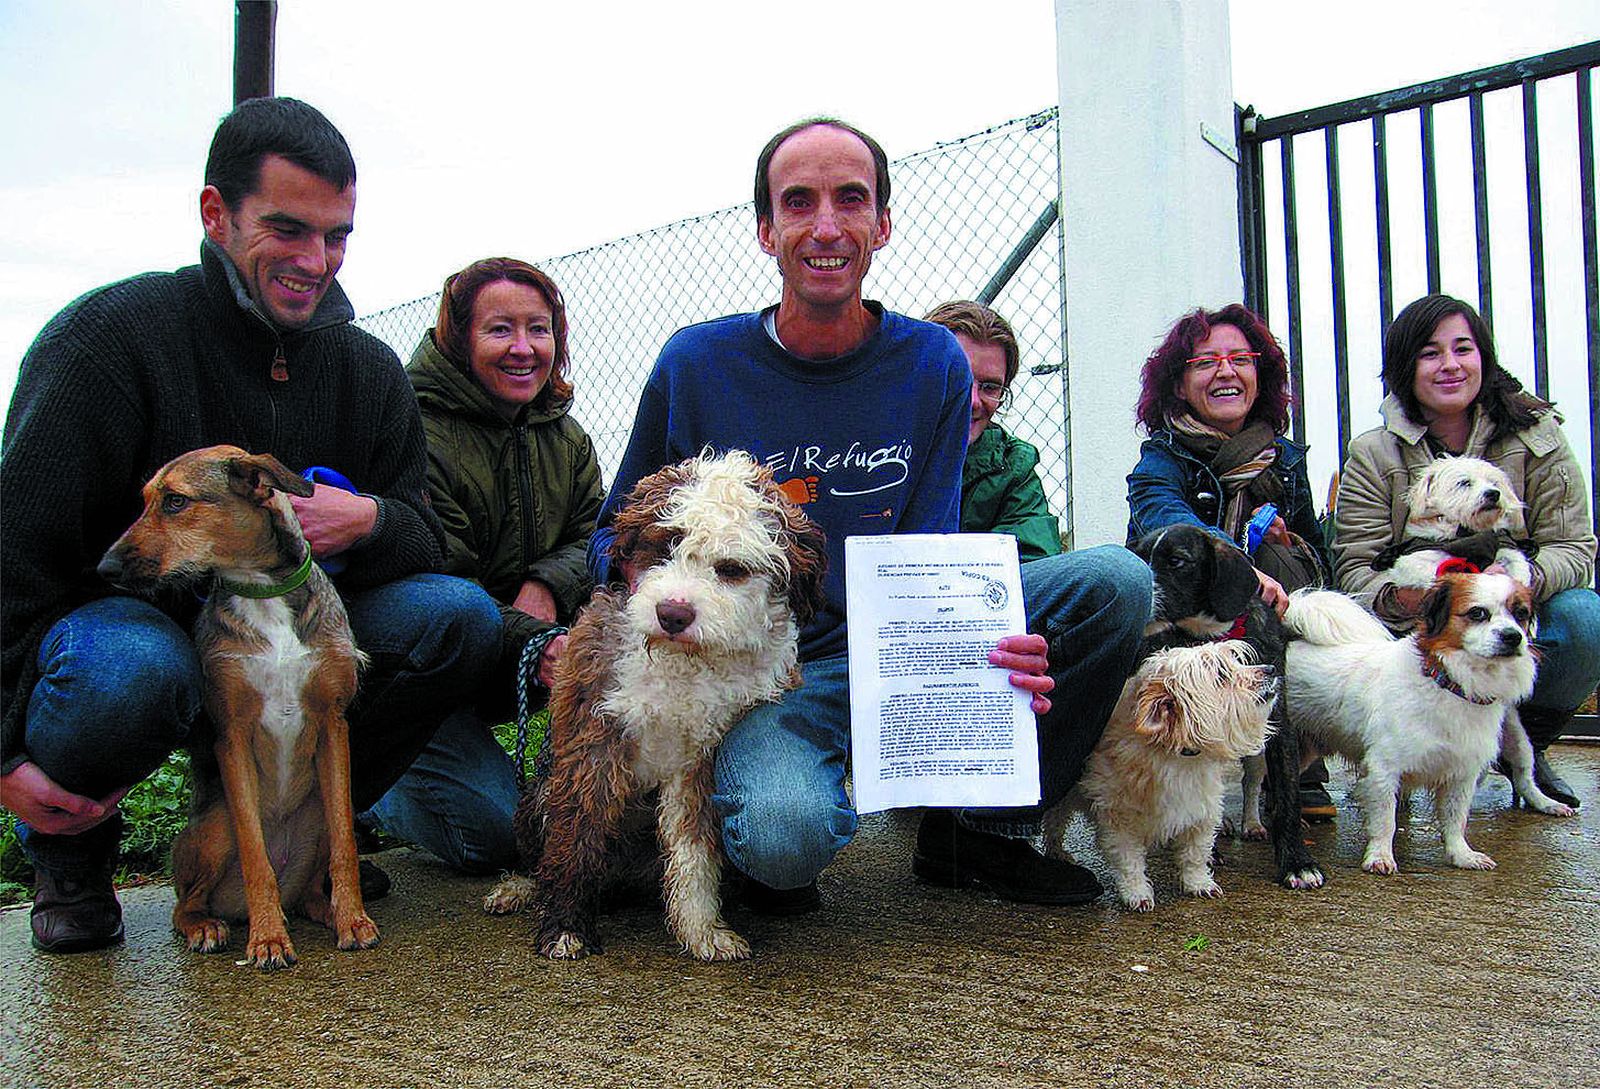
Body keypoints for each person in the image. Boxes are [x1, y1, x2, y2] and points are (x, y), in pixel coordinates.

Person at [589, 118, 1150, 913]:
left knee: (1116, 581)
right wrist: (673, 594)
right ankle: (755, 821)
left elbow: (932, 554)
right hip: (770, 675)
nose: (826, 226)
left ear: (882, 224)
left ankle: (979, 830)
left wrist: (984, 644)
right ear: (764, 230)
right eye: (799, 202)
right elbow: (609, 538)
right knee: (785, 840)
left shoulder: (932, 363)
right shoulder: (695, 364)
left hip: (901, 640)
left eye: (851, 200)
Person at [0, 98, 501, 953]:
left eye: (337, 235)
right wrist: (4, 752)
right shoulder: (108, 341)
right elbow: (14, 556)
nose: (318, 261)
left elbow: (427, 537)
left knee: (457, 615)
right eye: (288, 229)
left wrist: (373, 519)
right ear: (215, 213)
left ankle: (307, 840)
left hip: (293, 628)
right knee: (127, 668)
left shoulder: (366, 370)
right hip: (149, 636)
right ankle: (72, 851)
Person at [367, 257, 605, 872]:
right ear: (458, 337)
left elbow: (597, 537)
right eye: (500, 330)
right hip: (428, 677)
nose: (523, 349)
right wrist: (542, 642)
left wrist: (545, 583)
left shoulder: (568, 437)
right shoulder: (415, 430)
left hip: (520, 654)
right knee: (500, 838)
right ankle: (369, 789)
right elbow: (445, 578)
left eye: (540, 329)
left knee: (562, 822)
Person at [1334, 293, 1599, 808]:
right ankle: (1409, 747)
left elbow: (1575, 546)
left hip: (1512, 604)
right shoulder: (1373, 453)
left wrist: (1518, 585)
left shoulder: (1538, 436)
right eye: (1431, 353)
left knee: (1586, 620)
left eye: (1464, 348)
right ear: (1405, 367)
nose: (1450, 365)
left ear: (1485, 356)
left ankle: (1522, 748)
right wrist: (1409, 599)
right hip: (1417, 622)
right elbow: (1353, 569)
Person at [1125, 303, 1336, 819]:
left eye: (1241, 358)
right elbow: (1162, 513)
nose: (1226, 371)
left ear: (1258, 376)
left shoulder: (1284, 462)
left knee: (1288, 559)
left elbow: (1319, 560)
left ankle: (1290, 753)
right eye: (1206, 362)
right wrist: (1239, 562)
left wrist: (1291, 550)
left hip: (1257, 618)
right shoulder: (1162, 457)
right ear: (1179, 385)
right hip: (1179, 621)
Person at [924, 300, 1062, 561]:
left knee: (1111, 569)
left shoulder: (1012, 465)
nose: (973, 401)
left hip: (986, 596)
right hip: (883, 596)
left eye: (989, 387)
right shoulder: (875, 449)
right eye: (957, 380)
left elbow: (1035, 558)